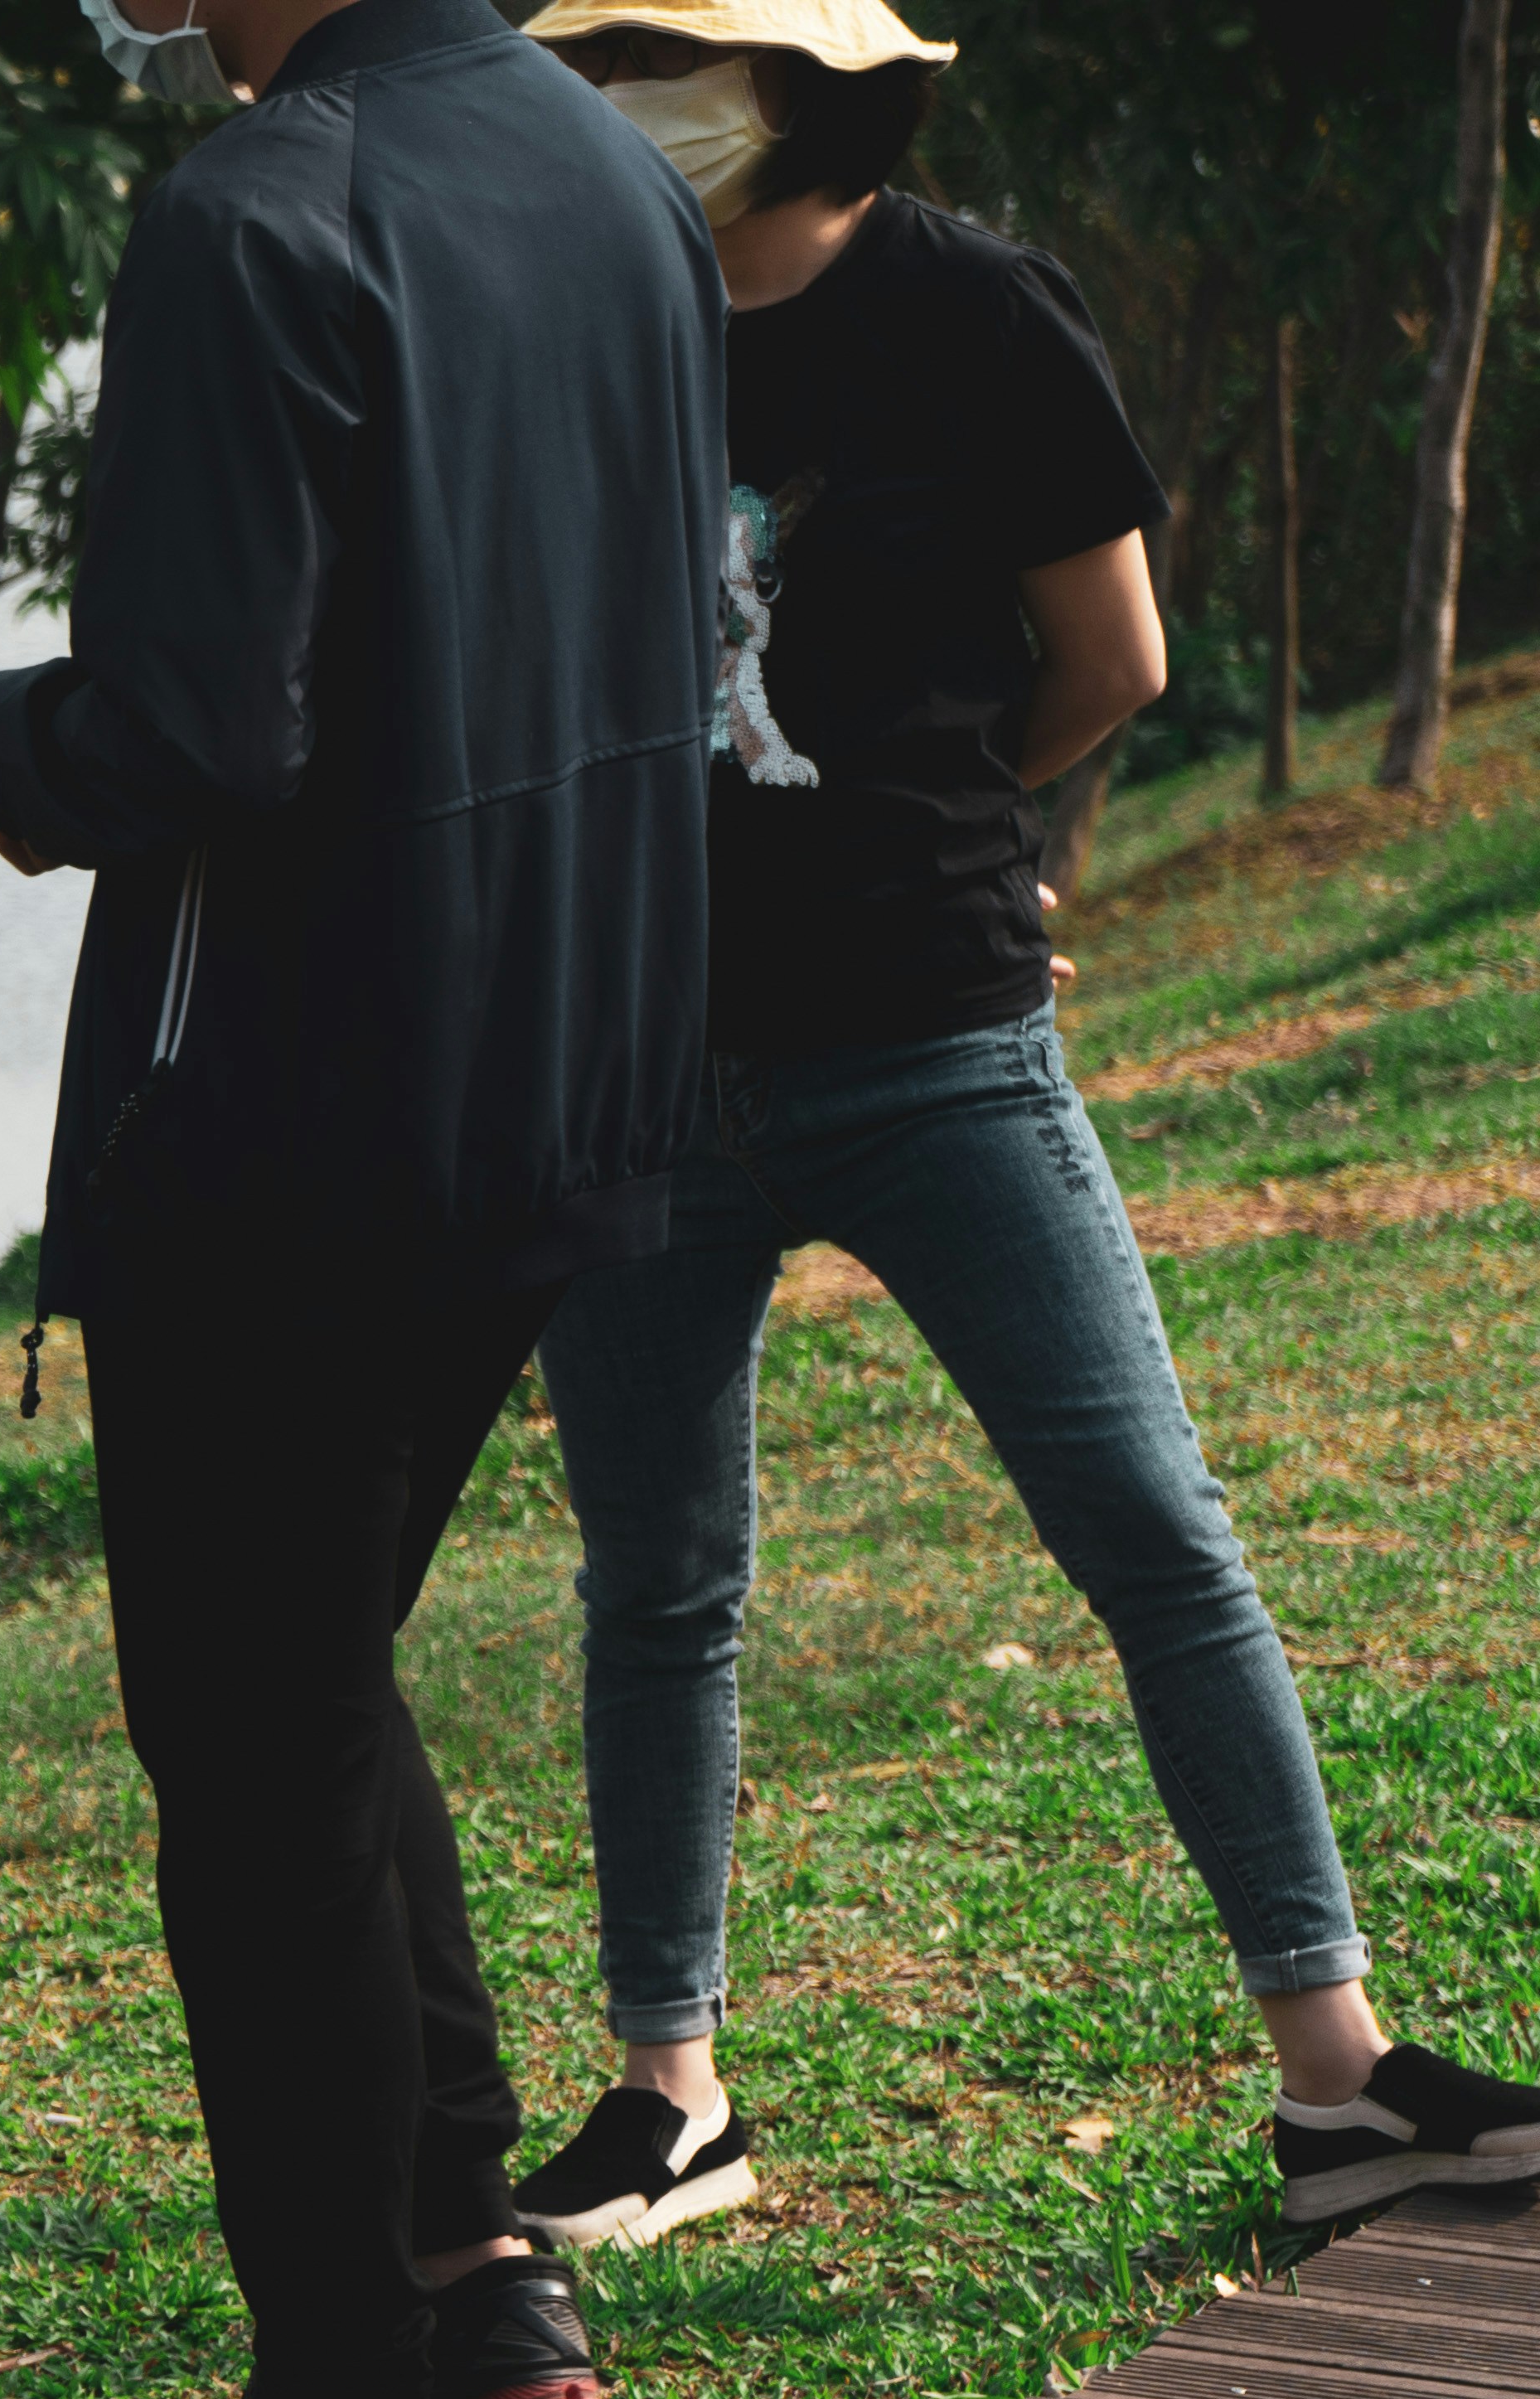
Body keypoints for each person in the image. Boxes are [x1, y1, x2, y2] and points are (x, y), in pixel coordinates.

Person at [504, 0, 1540, 2256]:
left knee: (1151, 1529)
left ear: (801, 80)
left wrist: (973, 838)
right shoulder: (577, 318)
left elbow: (1116, 658)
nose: (610, 95)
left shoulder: (974, 312)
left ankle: (1339, 2081)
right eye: (589, 55)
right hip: (643, 1076)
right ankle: (668, 2095)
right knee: (658, 1585)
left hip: (934, 1039)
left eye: (657, 52)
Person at [0, 0, 728, 2399]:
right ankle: (468, 2280)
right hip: (561, 1083)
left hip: (304, 1127)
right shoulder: (614, 174)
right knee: (314, 1677)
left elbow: (193, 724)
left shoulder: (259, 216)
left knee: (249, 1770)